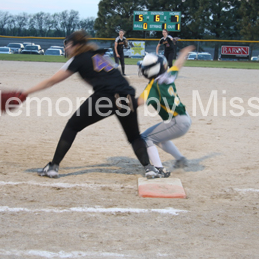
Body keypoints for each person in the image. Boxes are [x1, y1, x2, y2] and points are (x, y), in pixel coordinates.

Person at [19, 30, 163, 179]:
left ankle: (53, 167)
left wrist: (25, 93)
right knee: (134, 137)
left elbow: (51, 81)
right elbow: (112, 76)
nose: (66, 48)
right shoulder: (101, 56)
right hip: (126, 96)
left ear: (77, 45)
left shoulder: (78, 58)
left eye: (68, 44)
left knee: (72, 126)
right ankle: (149, 168)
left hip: (105, 98)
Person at [138, 46, 195, 174]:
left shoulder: (153, 86)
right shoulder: (168, 76)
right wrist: (184, 52)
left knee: (145, 138)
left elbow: (137, 102)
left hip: (177, 121)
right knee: (159, 138)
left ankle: (159, 169)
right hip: (184, 118)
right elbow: (178, 64)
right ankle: (180, 159)